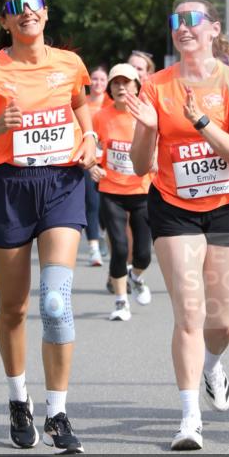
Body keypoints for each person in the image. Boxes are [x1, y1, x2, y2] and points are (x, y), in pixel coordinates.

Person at [0, 0, 96, 454]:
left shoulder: (69, 64)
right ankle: (19, 400)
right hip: (9, 188)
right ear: (4, 20)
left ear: (45, 11)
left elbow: (80, 105)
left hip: (61, 185)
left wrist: (90, 138)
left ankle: (58, 412)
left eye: (32, 3)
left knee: (55, 302)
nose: (25, 11)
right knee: (14, 307)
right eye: (14, 6)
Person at [129, 0, 229, 451]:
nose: (182, 27)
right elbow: (140, 165)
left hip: (227, 205)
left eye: (192, 19)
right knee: (189, 313)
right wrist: (149, 129)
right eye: (175, 20)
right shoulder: (155, 85)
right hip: (173, 206)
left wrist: (201, 122)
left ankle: (212, 365)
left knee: (221, 322)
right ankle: (189, 418)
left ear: (213, 29)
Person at [92, 63, 153, 321]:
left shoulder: (147, 114)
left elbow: (160, 144)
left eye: (126, 82)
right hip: (111, 190)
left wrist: (156, 160)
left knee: (143, 254)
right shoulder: (100, 117)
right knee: (118, 248)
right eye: (115, 83)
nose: (120, 87)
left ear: (137, 87)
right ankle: (120, 302)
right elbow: (94, 149)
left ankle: (136, 277)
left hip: (142, 190)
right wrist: (93, 167)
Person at [85, 66, 108, 266]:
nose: (98, 83)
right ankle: (93, 249)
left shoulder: (113, 103)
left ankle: (103, 234)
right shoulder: (81, 103)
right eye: (94, 78)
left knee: (106, 207)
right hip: (87, 161)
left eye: (102, 79)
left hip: (110, 163)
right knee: (91, 203)